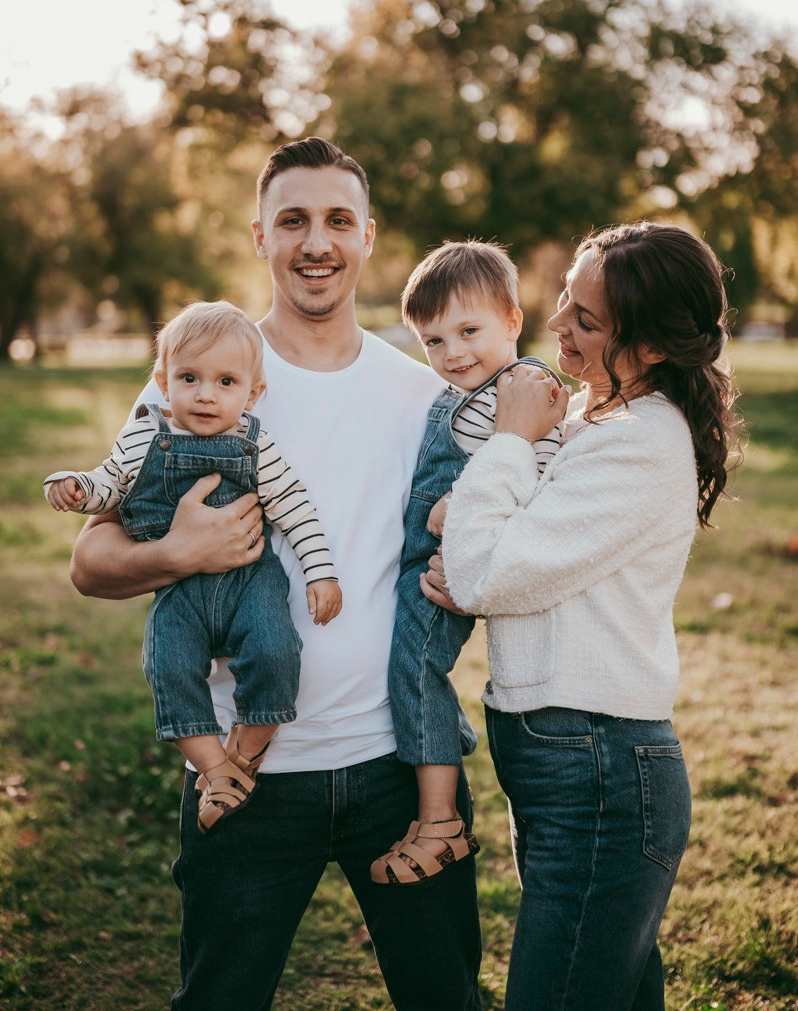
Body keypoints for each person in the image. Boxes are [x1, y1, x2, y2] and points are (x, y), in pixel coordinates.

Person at [69, 137, 482, 1011]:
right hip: (243, 778)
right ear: (259, 235)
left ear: (368, 236)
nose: (316, 242)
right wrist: (176, 554)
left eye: (338, 220)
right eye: (292, 220)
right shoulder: (203, 379)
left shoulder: (421, 395)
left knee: (444, 997)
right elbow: (90, 562)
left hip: (398, 767)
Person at [423, 223, 740, 1011]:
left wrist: (505, 440)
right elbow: (485, 547)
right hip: (569, 766)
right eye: (566, 295)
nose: (557, 322)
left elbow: (485, 569)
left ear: (653, 347)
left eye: (587, 320)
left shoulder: (639, 442)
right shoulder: (592, 424)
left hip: (599, 769)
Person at [45, 300, 341, 834]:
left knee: (277, 651)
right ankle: (212, 767)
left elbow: (295, 507)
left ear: (252, 394)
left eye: (226, 382)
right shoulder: (145, 434)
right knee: (168, 663)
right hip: (179, 589)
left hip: (251, 582)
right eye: (189, 378)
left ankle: (243, 756)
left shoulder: (256, 444)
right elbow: (110, 481)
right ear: (163, 383)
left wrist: (321, 573)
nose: (206, 394)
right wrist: (77, 487)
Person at [371, 240, 564, 884]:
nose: (452, 353)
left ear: (513, 319)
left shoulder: (526, 387)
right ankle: (440, 793)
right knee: (407, 667)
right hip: (418, 562)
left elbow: (542, 472)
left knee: (415, 665)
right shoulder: (459, 394)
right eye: (432, 340)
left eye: (468, 330)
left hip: (446, 570)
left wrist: (461, 500)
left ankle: (439, 823)